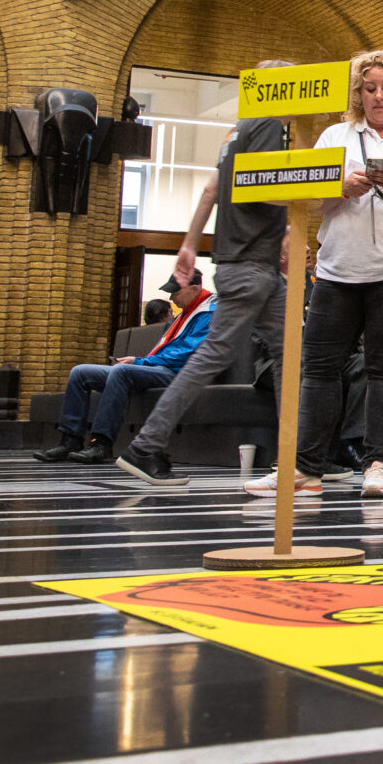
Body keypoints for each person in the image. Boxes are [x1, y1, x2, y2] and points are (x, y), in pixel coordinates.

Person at [246, 49, 383, 500]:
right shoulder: (334, 136)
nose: (378, 96)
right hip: (338, 269)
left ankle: (377, 464)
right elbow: (311, 202)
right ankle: (305, 468)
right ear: (358, 94)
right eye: (369, 88)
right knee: (319, 368)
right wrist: (338, 189)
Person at [115, 62, 298, 488]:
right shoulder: (269, 127)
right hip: (252, 263)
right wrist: (296, 221)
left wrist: (189, 242)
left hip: (248, 263)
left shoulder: (235, 132)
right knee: (214, 355)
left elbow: (211, 190)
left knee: (291, 357)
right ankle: (145, 446)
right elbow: (273, 187)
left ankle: (302, 455)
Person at [47, 275, 215, 478]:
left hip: (181, 373)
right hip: (159, 367)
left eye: (176, 292)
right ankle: (70, 440)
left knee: (121, 371)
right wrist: (141, 362)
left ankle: (102, 444)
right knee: (80, 372)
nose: (172, 298)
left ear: (195, 289)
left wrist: (139, 362)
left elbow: (186, 354)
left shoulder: (209, 312)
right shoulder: (185, 313)